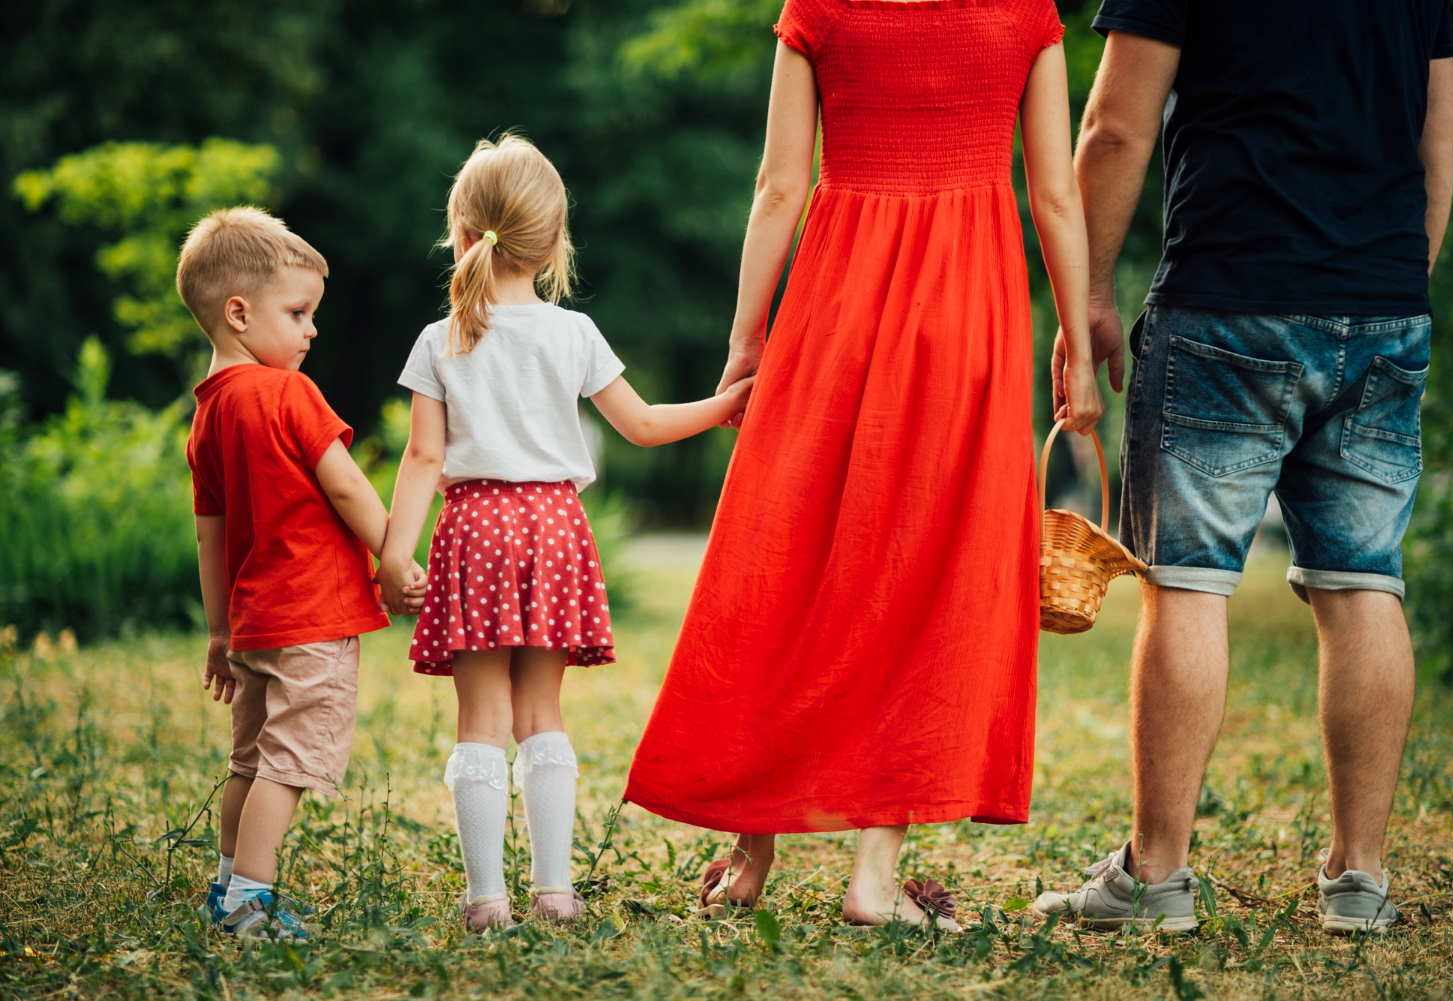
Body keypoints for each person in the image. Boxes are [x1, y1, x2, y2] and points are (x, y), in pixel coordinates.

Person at [624, 0, 1103, 931]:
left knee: (784, 542)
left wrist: (745, 340)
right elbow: (1055, 195)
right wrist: (1078, 350)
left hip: (839, 295)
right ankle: (874, 880)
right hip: (973, 307)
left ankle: (752, 844)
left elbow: (777, 184)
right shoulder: (1026, 15)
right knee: (932, 570)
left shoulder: (822, 10)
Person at [1033, 0, 1453, 935]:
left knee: (1186, 584)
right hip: (1383, 306)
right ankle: (1361, 881)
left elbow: (1112, 128)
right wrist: (1395, 289)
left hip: (1229, 300)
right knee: (1364, 581)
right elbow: (1440, 133)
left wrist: (1089, 300)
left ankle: (1159, 878)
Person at [376, 135, 756, 932]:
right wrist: (729, 405)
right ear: (552, 243)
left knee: (478, 721)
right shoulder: (573, 333)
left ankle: (486, 900)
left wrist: (393, 551)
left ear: (463, 232)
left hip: (475, 526)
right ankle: (553, 890)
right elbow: (645, 424)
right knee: (541, 712)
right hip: (553, 526)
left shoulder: (439, 338)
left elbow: (422, 455)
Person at [180, 207, 427, 939]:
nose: (311, 330)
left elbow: (210, 534)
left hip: (256, 620)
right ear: (239, 313)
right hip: (312, 616)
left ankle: (226, 885)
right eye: (298, 312)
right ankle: (247, 901)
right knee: (289, 762)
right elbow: (348, 485)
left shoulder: (207, 416)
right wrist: (394, 556)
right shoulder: (286, 393)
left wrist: (219, 628)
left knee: (249, 757)